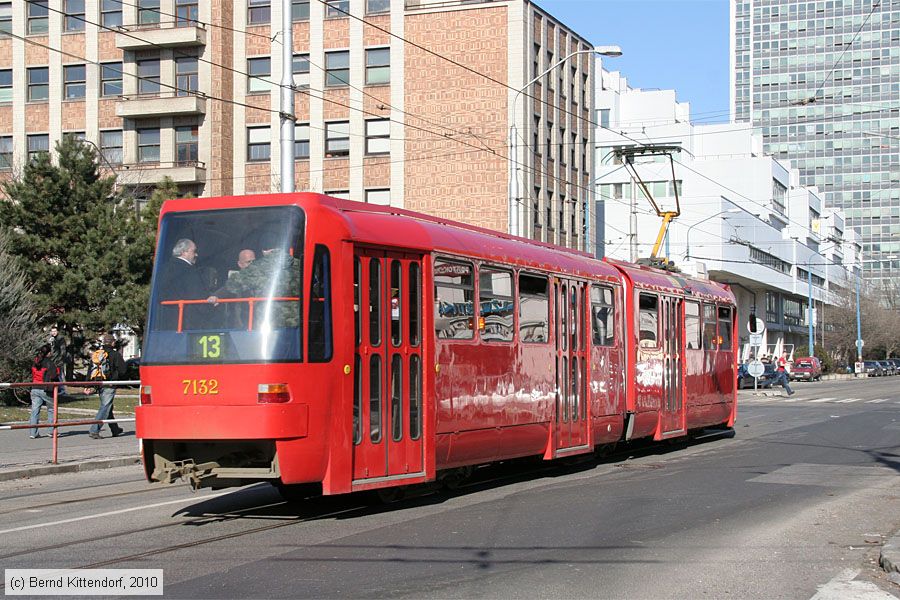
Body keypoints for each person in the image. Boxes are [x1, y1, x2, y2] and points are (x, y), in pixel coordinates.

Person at [207, 236, 301, 328]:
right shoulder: (299, 264)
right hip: (297, 322)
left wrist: (217, 296)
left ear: (264, 251)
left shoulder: (257, 267)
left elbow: (234, 284)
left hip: (271, 323)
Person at [158, 238, 210, 329]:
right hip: (187, 322)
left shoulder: (163, 269)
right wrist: (209, 305)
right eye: (194, 251)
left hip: (164, 321)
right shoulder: (189, 270)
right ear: (184, 252)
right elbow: (196, 295)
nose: (196, 254)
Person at [86, 334, 126, 439]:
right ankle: (94, 430)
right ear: (112, 342)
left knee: (108, 406)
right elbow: (123, 370)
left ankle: (115, 429)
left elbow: (90, 369)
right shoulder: (115, 354)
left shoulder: (98, 354)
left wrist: (87, 384)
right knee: (105, 407)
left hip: (99, 383)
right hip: (110, 384)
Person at [29, 344, 58, 439]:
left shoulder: (36, 361)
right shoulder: (49, 363)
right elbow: (54, 376)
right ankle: (51, 431)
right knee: (51, 409)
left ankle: (33, 432)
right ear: (48, 353)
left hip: (34, 388)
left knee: (35, 410)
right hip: (45, 389)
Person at [47, 326, 67, 393]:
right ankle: (54, 389)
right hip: (51, 360)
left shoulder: (60, 339)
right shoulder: (50, 339)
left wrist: (61, 358)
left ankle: (62, 389)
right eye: (52, 331)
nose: (53, 333)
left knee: (59, 375)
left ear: (57, 331)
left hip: (58, 360)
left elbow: (63, 350)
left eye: (55, 331)